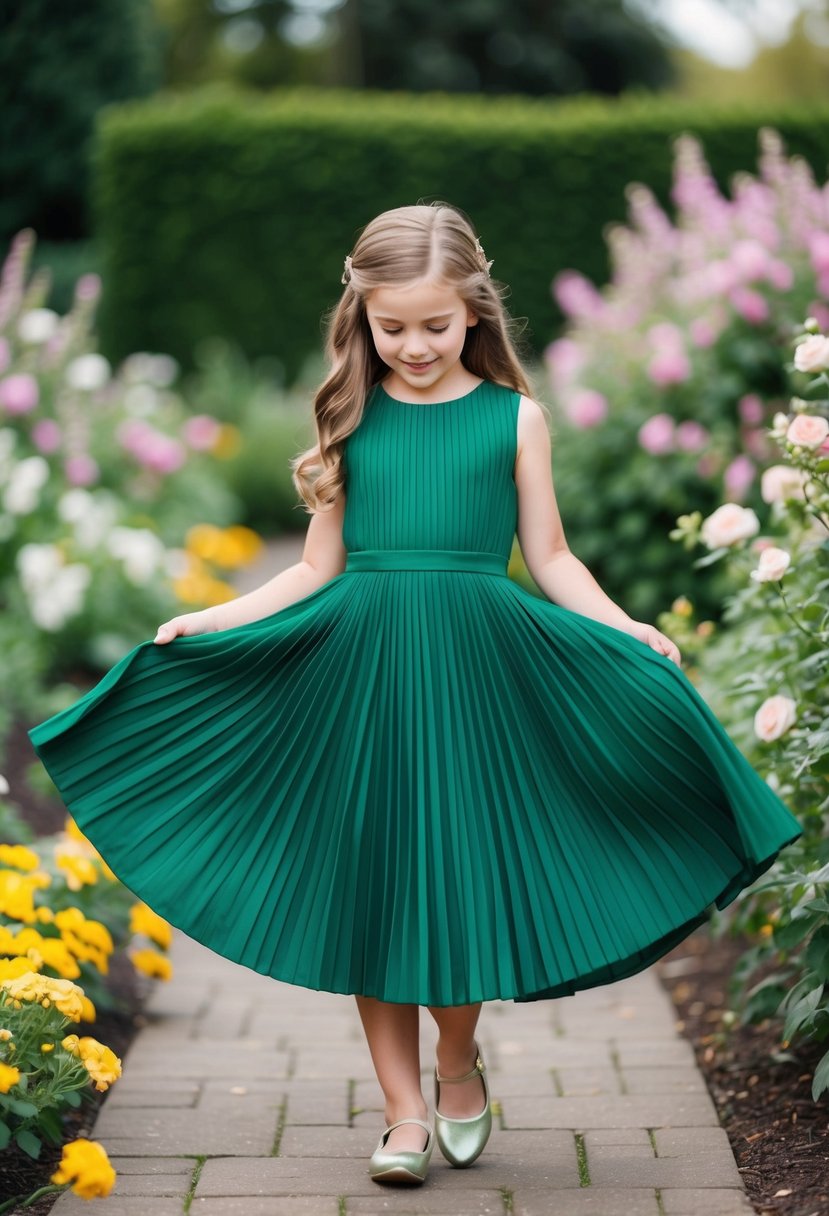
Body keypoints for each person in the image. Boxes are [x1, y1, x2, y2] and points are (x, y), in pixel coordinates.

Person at [28, 201, 802, 1187]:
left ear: (474, 311)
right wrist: (219, 617)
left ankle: (455, 1058)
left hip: (477, 679)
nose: (414, 344)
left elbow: (550, 556)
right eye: (391, 327)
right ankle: (401, 1113)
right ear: (363, 316)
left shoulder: (513, 417)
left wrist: (622, 627)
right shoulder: (350, 417)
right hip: (363, 677)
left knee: (455, 883)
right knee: (375, 891)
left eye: (434, 325)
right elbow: (315, 567)